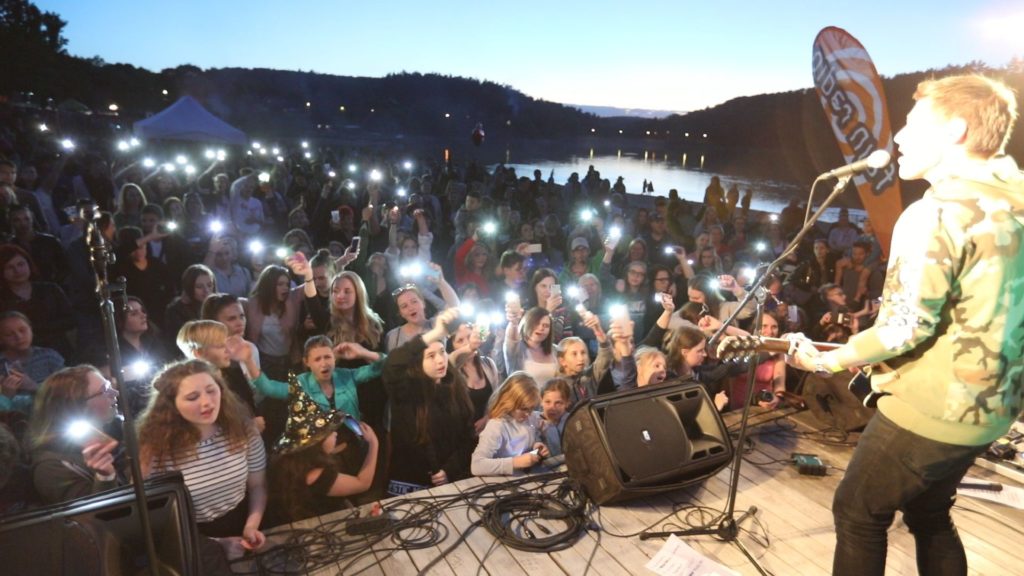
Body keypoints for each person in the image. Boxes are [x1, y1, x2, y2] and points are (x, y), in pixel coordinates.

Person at [785, 74, 1024, 576]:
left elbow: (902, 329)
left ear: (955, 130)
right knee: (930, 511)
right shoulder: (1017, 201)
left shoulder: (936, 214)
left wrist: (828, 360)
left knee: (857, 513)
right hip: (997, 407)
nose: (898, 137)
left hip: (935, 409)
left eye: (914, 124)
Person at [138, 359, 268, 560]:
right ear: (172, 405)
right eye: (193, 397)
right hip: (191, 539)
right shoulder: (154, 450)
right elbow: (152, 517)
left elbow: (258, 485)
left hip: (242, 519)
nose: (207, 402)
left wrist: (251, 527)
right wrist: (215, 545)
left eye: (211, 391)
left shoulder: (244, 429)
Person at [382, 308, 475, 495]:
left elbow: (468, 438)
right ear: (417, 363)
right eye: (431, 356)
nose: (440, 360)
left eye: (442, 352)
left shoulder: (454, 386)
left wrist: (449, 470)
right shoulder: (404, 390)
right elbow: (392, 363)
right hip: (409, 482)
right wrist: (437, 333)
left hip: (449, 482)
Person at [267, 385, 379, 525]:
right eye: (330, 432)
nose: (335, 434)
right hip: (320, 526)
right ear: (317, 443)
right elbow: (362, 483)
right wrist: (374, 444)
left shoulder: (290, 462)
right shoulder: (316, 476)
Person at [27, 365, 123, 504]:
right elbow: (94, 515)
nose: (115, 393)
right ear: (77, 406)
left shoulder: (120, 433)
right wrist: (105, 478)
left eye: (109, 385)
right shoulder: (51, 467)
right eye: (105, 390)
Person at [470, 371, 549, 476]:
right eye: (523, 409)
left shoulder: (531, 417)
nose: (528, 414)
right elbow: (476, 466)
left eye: (531, 408)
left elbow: (530, 439)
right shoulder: (497, 426)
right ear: (509, 402)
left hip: (526, 476)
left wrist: (537, 446)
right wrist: (514, 462)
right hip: (503, 480)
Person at [0, 312, 64, 413]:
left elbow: (69, 392)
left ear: (30, 329)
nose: (19, 337)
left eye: (23, 330)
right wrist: (5, 395)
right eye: (9, 334)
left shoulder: (49, 357)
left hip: (52, 415)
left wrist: (34, 387)